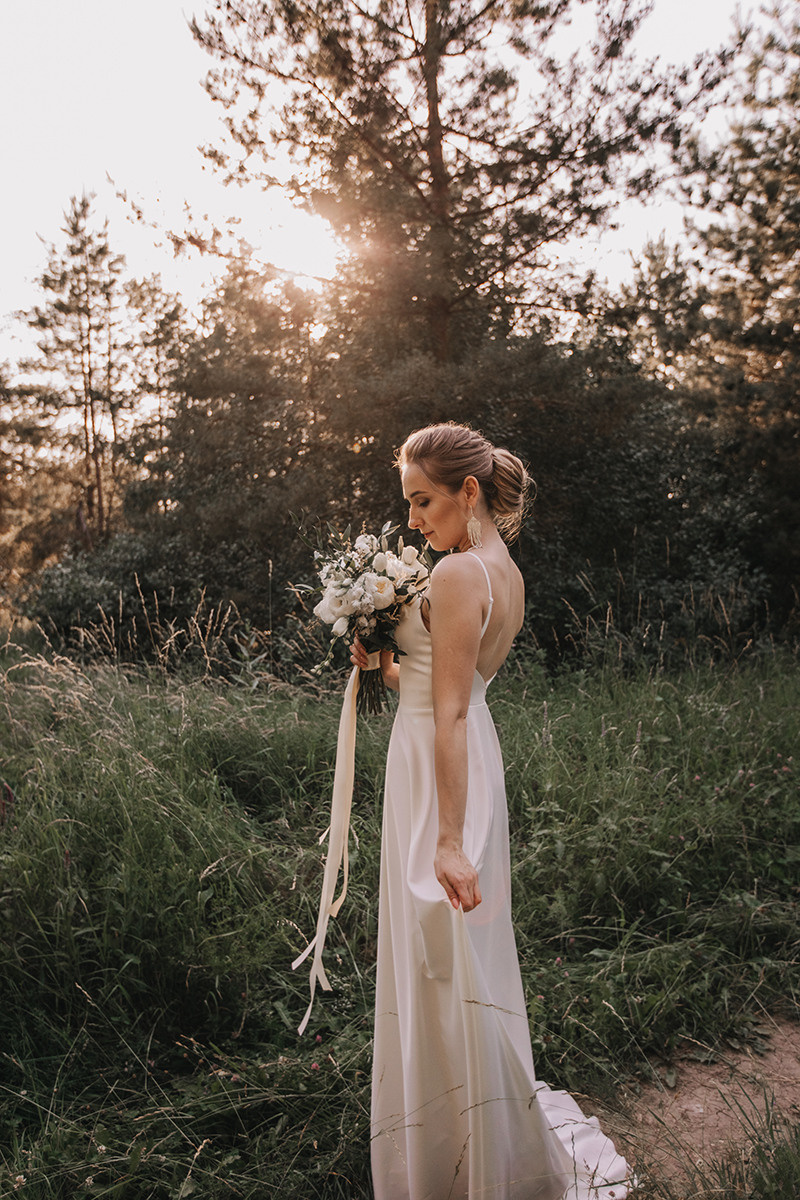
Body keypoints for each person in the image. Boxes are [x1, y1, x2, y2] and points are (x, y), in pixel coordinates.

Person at [350, 423, 631, 1200]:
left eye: (423, 500)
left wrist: (446, 838)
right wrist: (380, 647)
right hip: (465, 762)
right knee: (458, 956)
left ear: (467, 492)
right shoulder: (501, 570)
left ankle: (457, 1160)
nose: (413, 520)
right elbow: (457, 683)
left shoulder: (456, 574)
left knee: (441, 956)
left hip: (440, 768)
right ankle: (472, 1141)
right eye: (408, 502)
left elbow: (449, 714)